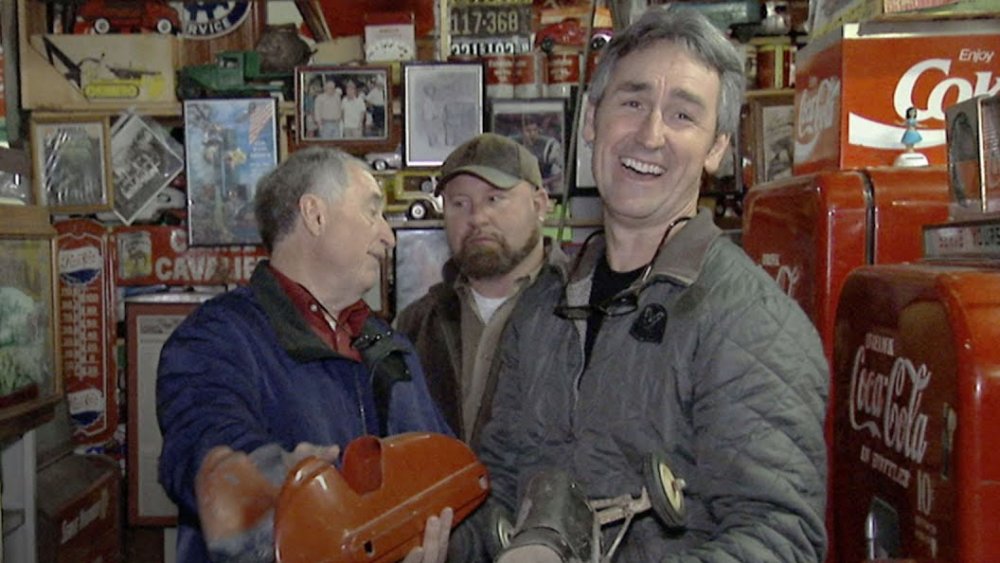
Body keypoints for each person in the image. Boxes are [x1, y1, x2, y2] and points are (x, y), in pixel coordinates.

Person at [468, 6, 829, 561]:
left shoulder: (752, 323)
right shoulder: (545, 305)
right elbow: (499, 485)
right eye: (633, 102)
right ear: (592, 120)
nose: (650, 134)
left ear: (716, 149)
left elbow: (779, 538)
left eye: (683, 115)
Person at [157, 146, 454, 562]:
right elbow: (201, 444)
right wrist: (280, 482)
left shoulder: (391, 348)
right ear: (315, 215)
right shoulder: (216, 339)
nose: (387, 235)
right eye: (372, 212)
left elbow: (447, 473)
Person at [395, 133, 568, 444]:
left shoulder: (579, 310)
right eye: (459, 203)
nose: (476, 217)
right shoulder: (416, 325)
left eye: (494, 199)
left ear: (540, 204)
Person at [511, 113, 564, 198]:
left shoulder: (549, 147)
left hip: (544, 189)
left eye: (535, 130)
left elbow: (562, 173)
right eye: (528, 131)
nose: (532, 134)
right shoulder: (512, 146)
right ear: (521, 131)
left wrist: (545, 181)